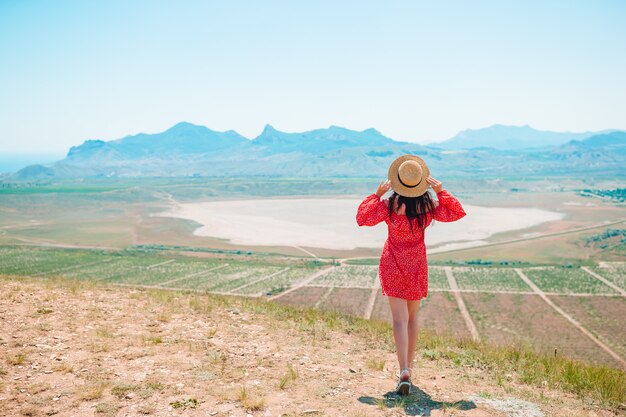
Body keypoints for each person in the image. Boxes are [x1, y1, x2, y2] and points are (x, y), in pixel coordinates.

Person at [355, 154, 466, 396]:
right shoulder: (428, 207)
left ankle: (403, 369)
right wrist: (441, 191)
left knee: (399, 320)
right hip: (416, 265)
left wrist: (375, 195)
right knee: (413, 319)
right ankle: (409, 369)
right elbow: (457, 212)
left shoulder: (388, 207)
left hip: (392, 263)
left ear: (397, 181)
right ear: (421, 183)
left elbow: (362, 218)